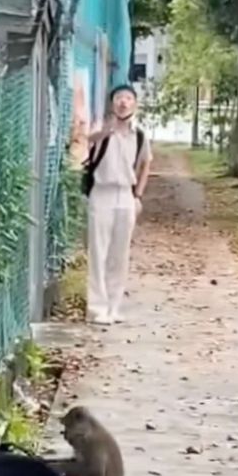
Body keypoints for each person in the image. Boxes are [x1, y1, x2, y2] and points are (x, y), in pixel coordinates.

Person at [84, 84, 152, 325]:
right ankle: (97, 308)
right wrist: (105, 132)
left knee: (119, 254)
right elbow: (84, 143)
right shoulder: (99, 128)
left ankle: (114, 306)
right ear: (112, 103)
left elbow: (145, 164)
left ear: (135, 103)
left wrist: (138, 195)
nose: (123, 102)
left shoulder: (139, 134)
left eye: (128, 98)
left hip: (125, 195)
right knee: (98, 251)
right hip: (101, 192)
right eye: (119, 98)